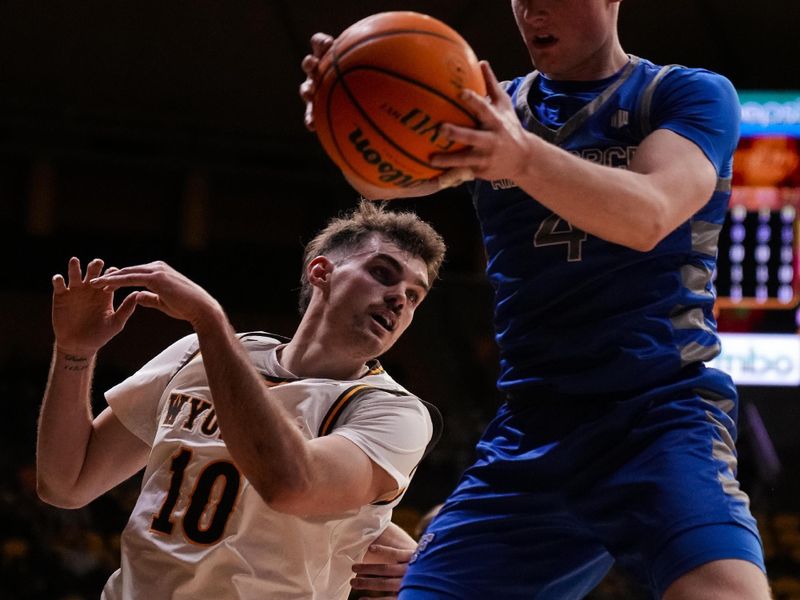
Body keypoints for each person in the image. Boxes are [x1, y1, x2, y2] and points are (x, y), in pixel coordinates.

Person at [300, 1, 772, 598]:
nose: (532, 11)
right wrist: (342, 113)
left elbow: (650, 214)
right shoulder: (494, 107)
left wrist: (520, 157)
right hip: (532, 427)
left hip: (656, 413)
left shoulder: (683, 94)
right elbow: (389, 178)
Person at [36, 201, 446, 599]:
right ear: (321, 271)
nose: (399, 299)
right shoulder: (196, 354)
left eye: (414, 296)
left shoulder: (394, 411)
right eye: (382, 274)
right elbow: (66, 484)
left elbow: (290, 487)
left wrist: (210, 319)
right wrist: (75, 352)